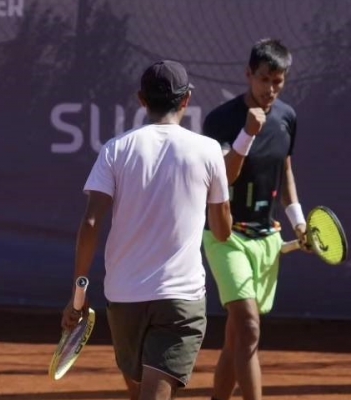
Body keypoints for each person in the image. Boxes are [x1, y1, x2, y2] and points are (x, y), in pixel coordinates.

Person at [61, 60, 233, 400]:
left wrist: (78, 295)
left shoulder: (115, 149)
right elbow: (222, 231)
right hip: (179, 300)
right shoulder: (210, 151)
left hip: (124, 299)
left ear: (142, 100)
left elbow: (91, 222)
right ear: (186, 101)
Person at [201, 39, 309, 400]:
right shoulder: (220, 120)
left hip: (268, 240)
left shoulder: (287, 118)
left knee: (237, 337)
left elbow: (286, 172)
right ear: (248, 75)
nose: (271, 89)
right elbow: (224, 178)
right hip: (225, 235)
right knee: (248, 324)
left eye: (279, 81)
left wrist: (299, 223)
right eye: (265, 80)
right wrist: (248, 133)